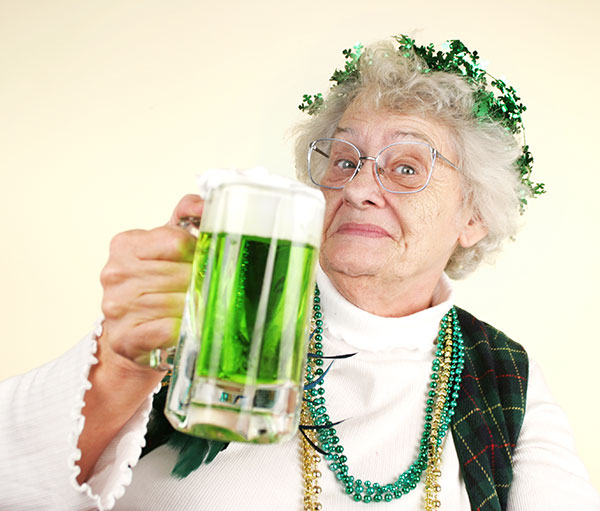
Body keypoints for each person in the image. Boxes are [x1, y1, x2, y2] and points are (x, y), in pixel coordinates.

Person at [1, 35, 599, 511]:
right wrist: (119, 368)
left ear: (473, 216)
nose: (360, 187)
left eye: (408, 167)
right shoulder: (221, 302)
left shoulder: (504, 374)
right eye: (344, 160)